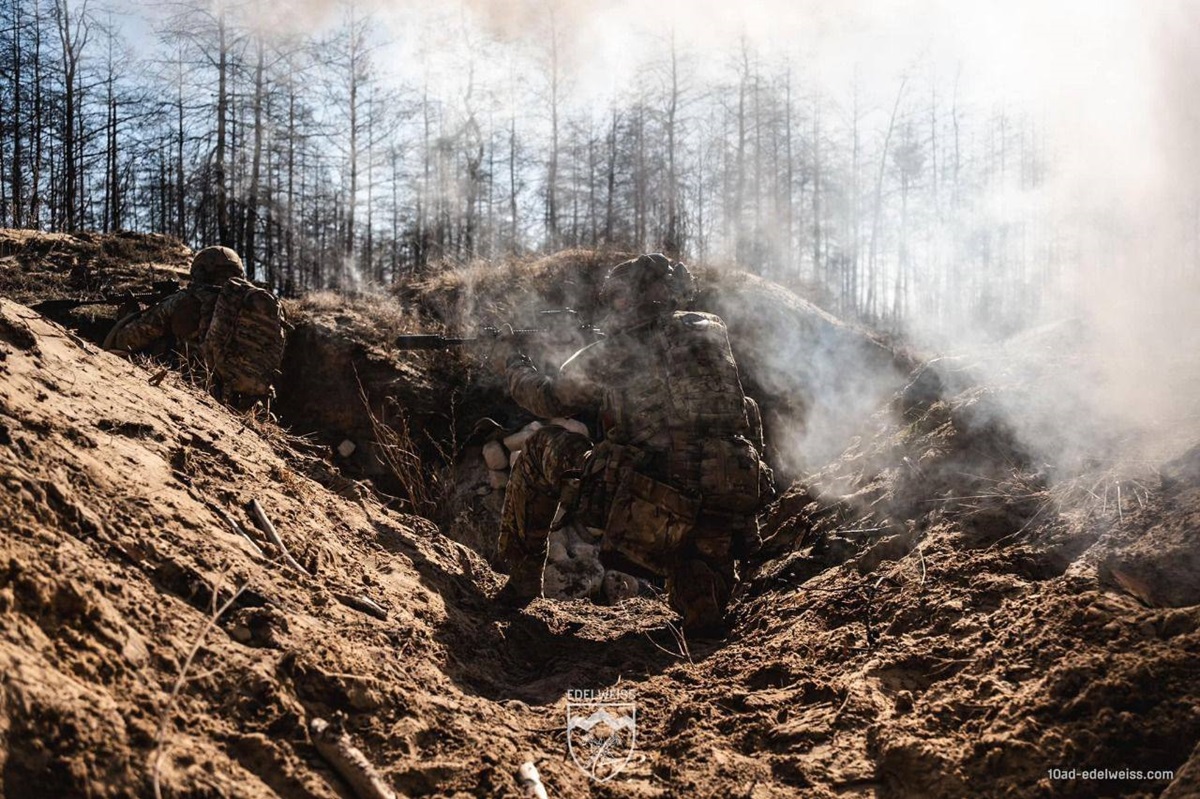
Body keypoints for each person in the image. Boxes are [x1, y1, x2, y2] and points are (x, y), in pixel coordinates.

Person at [493, 253, 772, 637]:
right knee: (692, 518)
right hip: (723, 508)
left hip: (647, 505)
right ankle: (700, 590)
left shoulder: (622, 348)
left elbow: (549, 399)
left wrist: (512, 363)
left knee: (542, 445)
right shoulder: (711, 334)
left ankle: (521, 583)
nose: (616, 306)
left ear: (638, 296)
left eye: (620, 297)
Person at [106, 246, 285, 403]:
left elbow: (128, 340)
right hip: (248, 400)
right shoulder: (257, 305)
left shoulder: (184, 300)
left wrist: (129, 315)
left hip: (196, 390)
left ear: (200, 272)